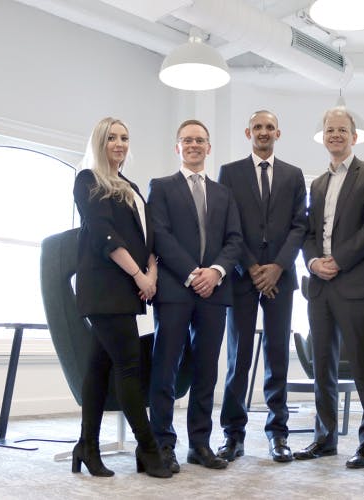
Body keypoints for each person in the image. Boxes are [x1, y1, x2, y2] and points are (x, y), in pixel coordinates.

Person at [72, 117, 170, 478]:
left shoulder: (130, 187)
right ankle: (148, 450)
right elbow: (104, 235)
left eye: (124, 137)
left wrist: (152, 272)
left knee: (99, 367)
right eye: (111, 137)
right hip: (104, 290)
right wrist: (138, 275)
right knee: (129, 368)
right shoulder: (88, 180)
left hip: (129, 288)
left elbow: (147, 237)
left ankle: (87, 446)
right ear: (99, 142)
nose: (119, 143)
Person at [295, 107, 364, 469]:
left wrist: (340, 260)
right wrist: (314, 261)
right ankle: (325, 438)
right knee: (323, 367)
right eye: (329, 130)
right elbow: (307, 233)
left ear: (353, 136)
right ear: (324, 136)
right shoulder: (317, 183)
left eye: (341, 130)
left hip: (353, 283)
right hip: (319, 286)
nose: (334, 135)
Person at [148, 119, 242, 472]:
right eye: (187, 140)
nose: (194, 145)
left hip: (214, 293)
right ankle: (163, 443)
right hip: (175, 290)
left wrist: (215, 272)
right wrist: (192, 274)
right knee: (166, 369)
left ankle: (199, 444)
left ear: (209, 147)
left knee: (206, 372)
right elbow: (160, 235)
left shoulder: (223, 193)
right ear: (178, 147)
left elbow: (235, 240)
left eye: (200, 140)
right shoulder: (161, 187)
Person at [216, 110, 308, 463]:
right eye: (258, 127)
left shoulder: (294, 175)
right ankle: (232, 436)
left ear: (278, 133)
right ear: (248, 132)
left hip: (280, 279)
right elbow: (227, 223)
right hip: (242, 275)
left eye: (270, 127)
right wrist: (253, 267)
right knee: (237, 358)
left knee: (277, 355)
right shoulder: (230, 172)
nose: (264, 132)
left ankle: (278, 434)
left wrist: (278, 267)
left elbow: (300, 226)